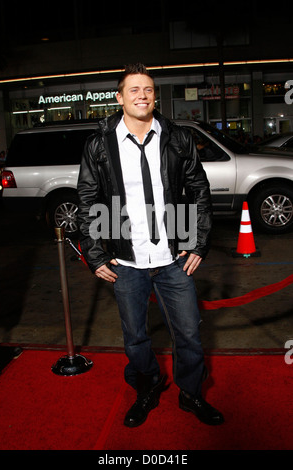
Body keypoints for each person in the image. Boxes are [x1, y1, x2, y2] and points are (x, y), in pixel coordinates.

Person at [77, 63, 224, 427]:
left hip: (173, 258)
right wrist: (95, 253)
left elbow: (198, 190)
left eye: (148, 90)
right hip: (125, 261)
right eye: (134, 90)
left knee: (189, 334)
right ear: (119, 97)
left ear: (155, 95)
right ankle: (147, 386)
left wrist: (197, 242)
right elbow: (88, 197)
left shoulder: (176, 137)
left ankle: (191, 395)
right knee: (135, 339)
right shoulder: (100, 143)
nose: (142, 96)